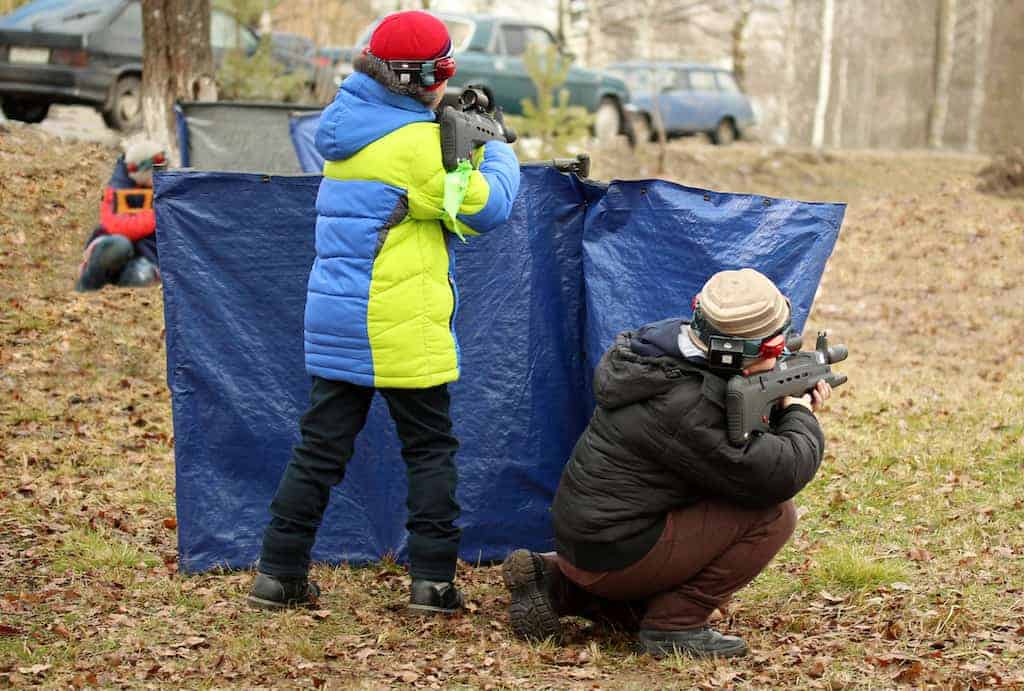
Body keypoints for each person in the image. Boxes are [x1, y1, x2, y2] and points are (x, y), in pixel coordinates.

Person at [248, 11, 520, 614]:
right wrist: (496, 149)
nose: (448, 81)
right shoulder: (417, 145)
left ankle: (278, 573)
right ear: (422, 77)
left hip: (339, 318)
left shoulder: (348, 126)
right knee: (429, 450)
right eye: (444, 70)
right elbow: (485, 208)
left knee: (319, 450)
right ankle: (433, 584)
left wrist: (454, 143)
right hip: (396, 324)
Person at [503, 268, 831, 658]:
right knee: (774, 515)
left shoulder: (662, 354)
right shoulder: (688, 403)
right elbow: (777, 473)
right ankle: (675, 625)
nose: (781, 356)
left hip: (587, 542)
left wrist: (778, 401)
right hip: (616, 552)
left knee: (627, 608)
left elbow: (721, 447)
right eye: (776, 350)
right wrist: (799, 413)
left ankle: (556, 584)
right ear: (736, 353)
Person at [75, 139, 165, 291]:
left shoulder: (165, 187)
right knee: (119, 246)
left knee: (142, 274)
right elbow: (117, 225)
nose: (162, 171)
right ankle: (86, 287)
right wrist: (157, 216)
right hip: (112, 243)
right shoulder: (118, 188)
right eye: (157, 167)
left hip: (146, 258)